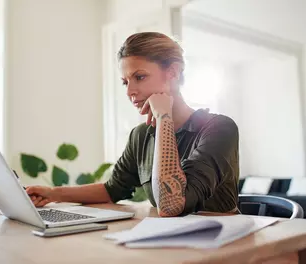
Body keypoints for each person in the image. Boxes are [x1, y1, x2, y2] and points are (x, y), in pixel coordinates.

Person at [26, 32, 239, 217]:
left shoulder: (219, 128)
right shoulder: (141, 135)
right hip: (169, 242)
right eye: (125, 82)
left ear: (173, 72)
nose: (130, 92)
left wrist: (164, 116)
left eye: (140, 77)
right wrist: (53, 194)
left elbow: (171, 205)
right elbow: (113, 190)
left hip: (223, 244)